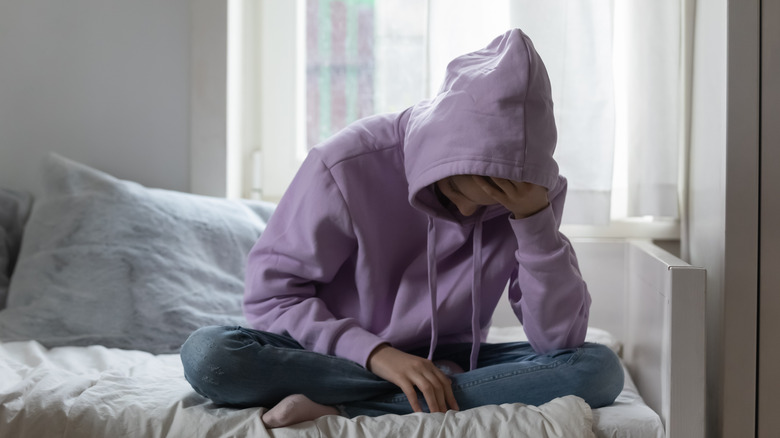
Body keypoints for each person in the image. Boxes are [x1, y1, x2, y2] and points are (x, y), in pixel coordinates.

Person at [180, 28, 624, 428]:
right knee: (210, 356)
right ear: (438, 159)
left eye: (492, 205)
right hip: (329, 357)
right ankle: (397, 391)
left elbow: (558, 341)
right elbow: (272, 297)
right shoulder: (346, 164)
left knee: (597, 369)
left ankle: (345, 408)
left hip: (444, 363)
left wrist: (532, 222)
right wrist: (377, 355)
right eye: (455, 191)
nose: (469, 213)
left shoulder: (533, 197)